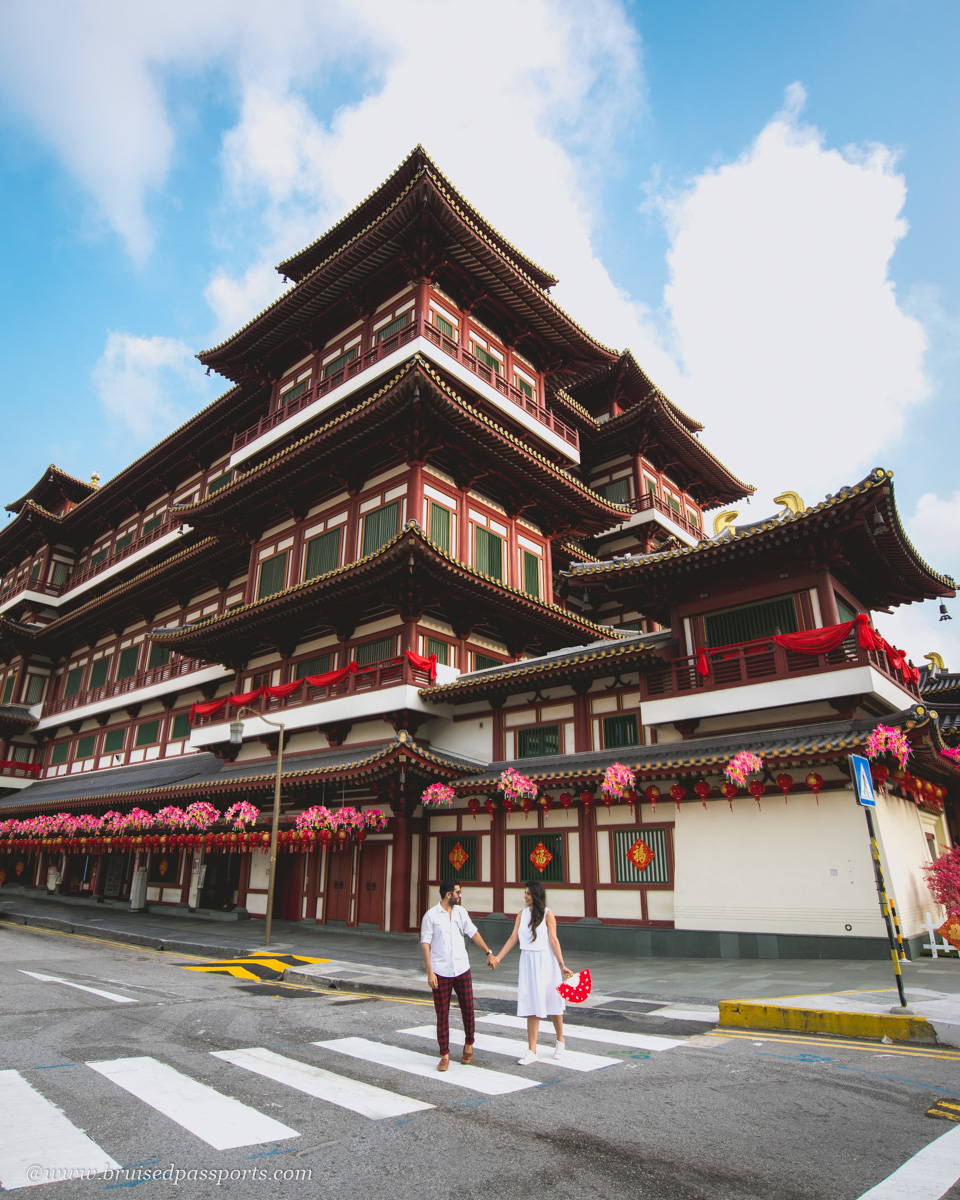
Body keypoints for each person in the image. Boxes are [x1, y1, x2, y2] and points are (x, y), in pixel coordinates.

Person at [420, 880, 498, 1072]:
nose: (460, 895)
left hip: (462, 968)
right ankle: (444, 1055)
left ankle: (469, 1045)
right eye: (458, 892)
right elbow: (425, 944)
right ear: (448, 895)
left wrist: (488, 952)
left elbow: (473, 933)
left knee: (468, 1008)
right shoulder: (431, 916)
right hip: (440, 971)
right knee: (442, 1014)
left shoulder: (461, 913)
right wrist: (430, 972)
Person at [492, 880, 573, 1064]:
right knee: (531, 1004)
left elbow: (553, 940)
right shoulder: (521, 914)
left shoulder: (548, 914)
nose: (525, 896)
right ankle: (532, 1050)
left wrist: (562, 965)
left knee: (553, 1003)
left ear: (536, 895)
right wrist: (498, 958)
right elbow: (513, 938)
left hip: (546, 962)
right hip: (527, 961)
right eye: (524, 892)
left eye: (528, 893)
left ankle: (560, 1041)